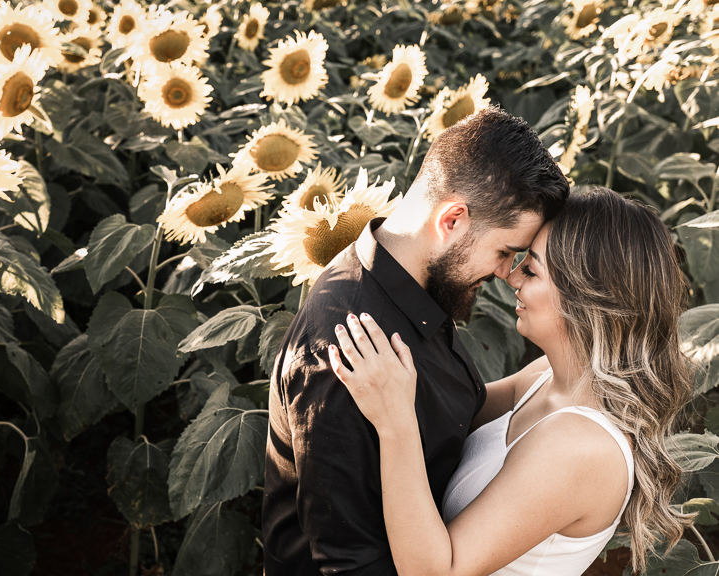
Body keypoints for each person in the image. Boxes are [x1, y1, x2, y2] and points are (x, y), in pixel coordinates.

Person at [262, 106, 570, 575]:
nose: (507, 273)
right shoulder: (349, 346)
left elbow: (454, 411)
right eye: (505, 252)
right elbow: (352, 564)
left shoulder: (412, 291)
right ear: (452, 220)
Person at [328, 188, 693, 576]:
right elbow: (449, 410)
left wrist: (395, 423)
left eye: (532, 269)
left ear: (589, 301)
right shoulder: (546, 377)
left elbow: (436, 571)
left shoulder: (582, 446)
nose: (511, 276)